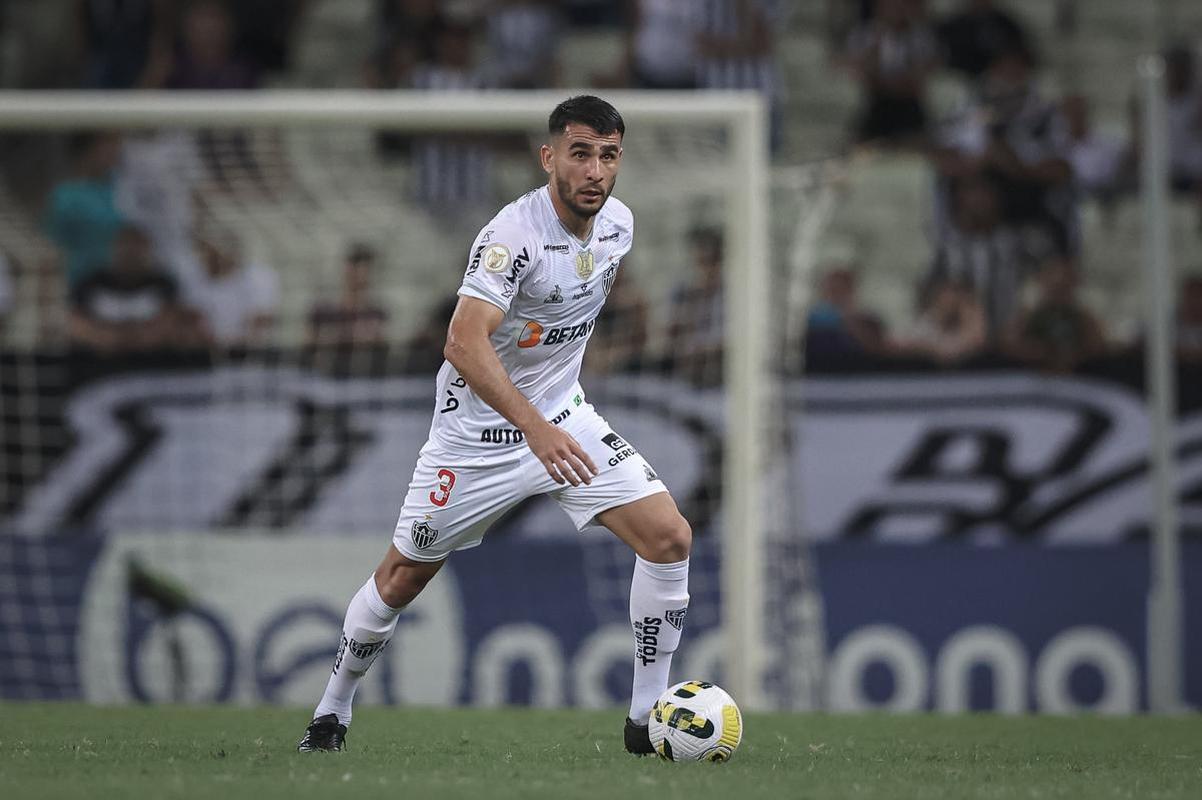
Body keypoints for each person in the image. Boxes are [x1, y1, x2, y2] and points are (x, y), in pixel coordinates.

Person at [297, 96, 691, 756]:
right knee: (400, 580)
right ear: (549, 158)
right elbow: (461, 342)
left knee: (669, 536)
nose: (595, 171)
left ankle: (645, 718)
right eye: (581, 154)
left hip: (565, 419)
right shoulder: (512, 236)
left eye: (609, 156)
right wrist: (534, 427)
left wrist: (557, 405)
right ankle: (331, 710)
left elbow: (566, 314)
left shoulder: (618, 225)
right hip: (478, 440)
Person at [306, 244, 390, 349]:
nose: (359, 275)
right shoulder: (323, 310)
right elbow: (307, 345)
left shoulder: (376, 313)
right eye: (355, 267)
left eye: (365, 269)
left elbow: (384, 345)